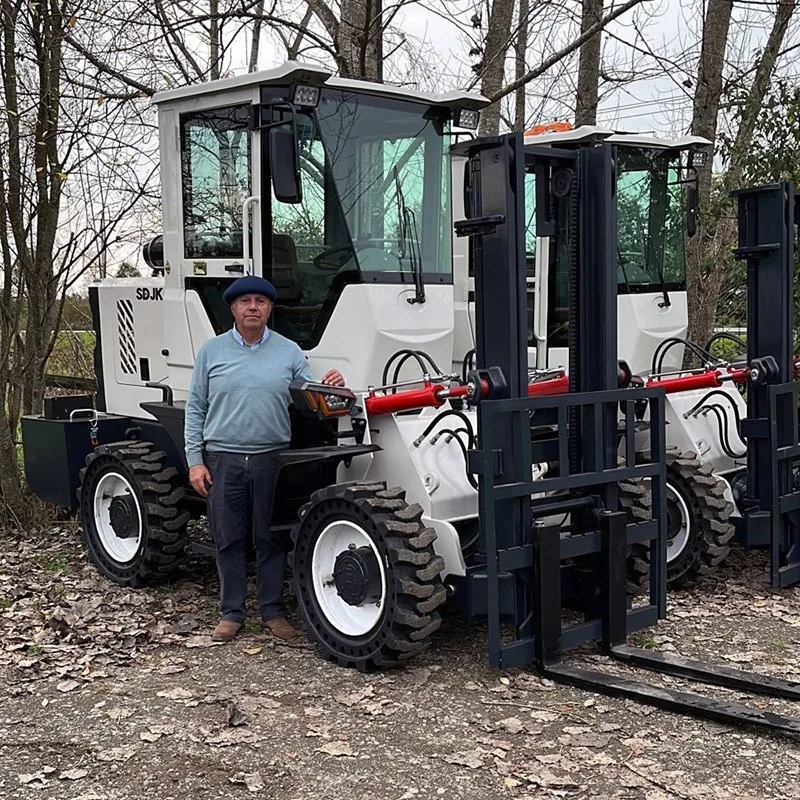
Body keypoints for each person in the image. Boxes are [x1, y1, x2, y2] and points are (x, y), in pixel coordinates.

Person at [184, 275, 345, 643]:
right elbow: (195, 409)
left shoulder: (289, 352)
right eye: (245, 302)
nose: (253, 307)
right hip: (222, 458)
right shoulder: (211, 351)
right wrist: (195, 460)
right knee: (228, 538)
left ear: (270, 309)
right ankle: (232, 613)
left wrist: (331, 386)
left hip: (272, 459)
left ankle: (273, 612)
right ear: (233, 309)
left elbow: (310, 400)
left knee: (271, 538)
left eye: (260, 301)